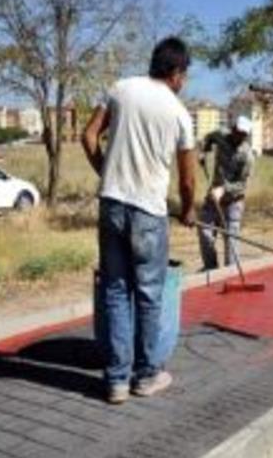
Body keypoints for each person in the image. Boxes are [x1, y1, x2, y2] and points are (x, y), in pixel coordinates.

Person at [81, 37, 196, 404]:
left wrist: (106, 173)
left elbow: (87, 136)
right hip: (149, 212)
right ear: (176, 72)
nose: (184, 82)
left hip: (112, 205)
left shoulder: (120, 89)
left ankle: (116, 381)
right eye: (185, 75)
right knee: (148, 296)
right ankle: (146, 377)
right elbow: (188, 179)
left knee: (115, 291)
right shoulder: (178, 113)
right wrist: (189, 209)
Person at [197, 116, 255, 270]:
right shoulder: (221, 135)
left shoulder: (247, 156)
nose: (238, 135)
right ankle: (210, 268)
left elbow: (242, 185)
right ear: (233, 128)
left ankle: (231, 273)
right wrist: (204, 151)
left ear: (246, 135)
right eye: (237, 131)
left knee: (231, 242)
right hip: (213, 197)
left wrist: (223, 189)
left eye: (243, 134)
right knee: (204, 231)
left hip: (233, 201)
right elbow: (209, 138)